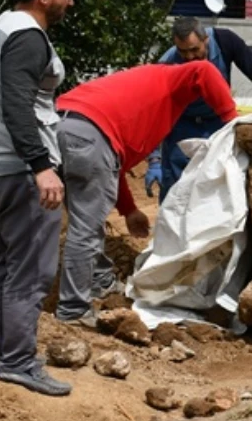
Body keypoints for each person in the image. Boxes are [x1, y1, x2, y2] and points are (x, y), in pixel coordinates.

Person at [54, 62, 239, 326]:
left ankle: (100, 282)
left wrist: (129, 210)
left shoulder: (139, 91)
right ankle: (72, 310)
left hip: (59, 127)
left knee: (85, 221)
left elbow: (110, 162)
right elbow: (203, 70)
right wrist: (232, 121)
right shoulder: (168, 78)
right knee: (85, 229)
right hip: (89, 137)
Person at [0, 0, 74, 396]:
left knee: (4, 267)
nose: (70, 0)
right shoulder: (28, 38)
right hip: (20, 172)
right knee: (30, 271)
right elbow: (17, 106)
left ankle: (3, 358)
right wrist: (42, 167)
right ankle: (17, 362)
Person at [156, 17, 252, 200]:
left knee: (219, 183)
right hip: (182, 125)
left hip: (217, 123)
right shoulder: (167, 63)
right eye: (183, 52)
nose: (189, 57)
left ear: (206, 40)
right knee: (176, 188)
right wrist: (154, 160)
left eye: (194, 50)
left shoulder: (225, 42)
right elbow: (155, 112)